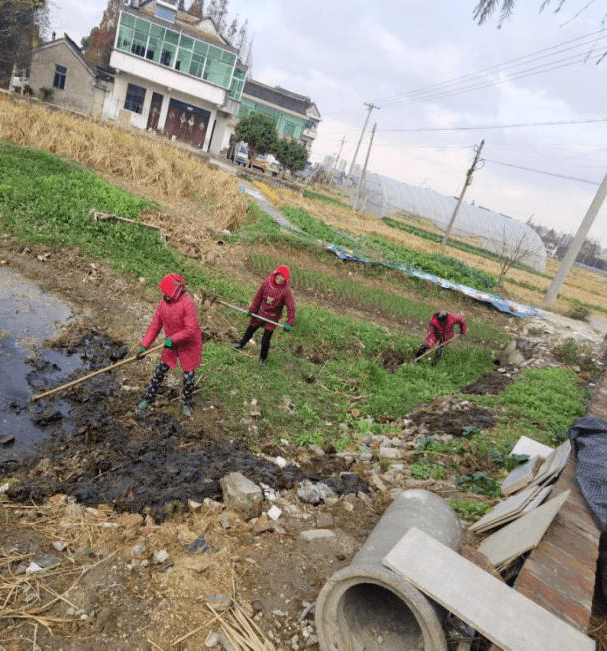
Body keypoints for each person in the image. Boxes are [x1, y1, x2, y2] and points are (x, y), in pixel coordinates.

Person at [137, 273, 202, 417]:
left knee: (188, 377)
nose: (163, 294)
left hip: (188, 343)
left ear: (174, 291)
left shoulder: (187, 304)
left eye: (166, 292)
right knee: (160, 370)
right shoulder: (163, 304)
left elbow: (190, 330)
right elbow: (155, 325)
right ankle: (149, 397)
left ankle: (186, 403)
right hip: (171, 344)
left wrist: (173, 339)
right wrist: (144, 345)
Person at [232, 265, 295, 367]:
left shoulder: (286, 291)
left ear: (286, 279)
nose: (280, 279)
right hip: (261, 312)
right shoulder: (267, 283)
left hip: (272, 317)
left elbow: (291, 308)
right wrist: (253, 308)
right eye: (279, 276)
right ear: (276, 274)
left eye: (283, 278)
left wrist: (289, 322)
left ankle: (262, 359)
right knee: (251, 329)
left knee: (265, 339)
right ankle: (241, 344)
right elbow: (258, 297)